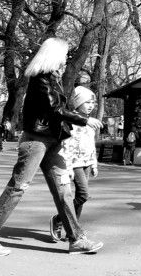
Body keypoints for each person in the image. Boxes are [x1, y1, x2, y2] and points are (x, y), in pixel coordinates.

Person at [0, 37, 104, 256]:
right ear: (54, 55)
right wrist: (84, 119)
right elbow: (55, 110)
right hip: (36, 141)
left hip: (52, 142)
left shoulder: (53, 78)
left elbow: (56, 110)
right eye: (63, 55)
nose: (65, 59)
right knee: (17, 188)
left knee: (64, 190)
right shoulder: (41, 79)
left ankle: (76, 239)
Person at [50, 86, 99, 243]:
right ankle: (59, 219)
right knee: (84, 194)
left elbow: (91, 144)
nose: (91, 105)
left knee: (80, 197)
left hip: (87, 163)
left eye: (93, 103)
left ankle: (72, 228)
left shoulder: (90, 123)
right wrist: (69, 167)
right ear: (78, 103)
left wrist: (94, 163)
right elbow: (67, 145)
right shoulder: (73, 120)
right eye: (87, 102)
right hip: (75, 164)